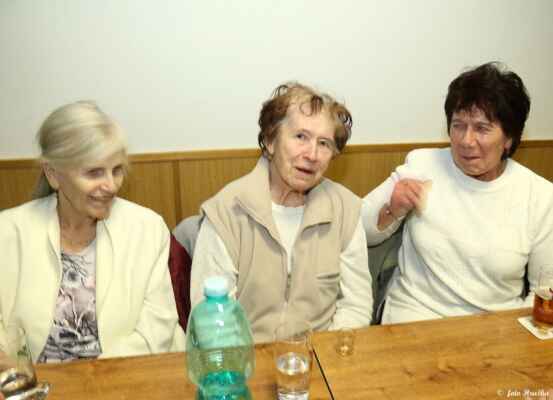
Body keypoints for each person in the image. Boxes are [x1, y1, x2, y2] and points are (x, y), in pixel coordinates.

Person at [362, 62, 553, 324]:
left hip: (495, 328)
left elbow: (545, 288)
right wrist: (392, 211)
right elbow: (356, 230)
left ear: (509, 138)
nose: (466, 140)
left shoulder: (540, 196)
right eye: (458, 125)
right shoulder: (422, 165)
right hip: (413, 317)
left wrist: (512, 334)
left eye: (482, 128)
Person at [0, 101, 185, 362]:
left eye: (117, 170)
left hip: (123, 374)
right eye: (94, 173)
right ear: (53, 174)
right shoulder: (8, 232)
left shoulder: (147, 228)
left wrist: (97, 377)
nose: (111, 185)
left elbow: (157, 327)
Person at [190, 82, 373, 342]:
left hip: (320, 355)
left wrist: (321, 355)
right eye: (301, 137)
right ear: (270, 141)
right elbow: (213, 323)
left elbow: (356, 306)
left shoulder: (346, 210)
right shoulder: (226, 212)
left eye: (324, 143)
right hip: (246, 357)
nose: (312, 154)